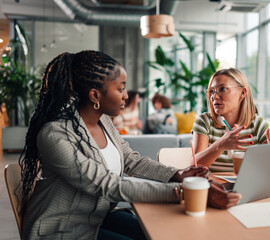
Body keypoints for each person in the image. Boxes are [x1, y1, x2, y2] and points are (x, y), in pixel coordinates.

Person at [19, 51, 242, 240]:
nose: (126, 95)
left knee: (161, 232)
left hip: (98, 216)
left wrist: (178, 174)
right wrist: (188, 192)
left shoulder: (103, 120)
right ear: (95, 95)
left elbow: (130, 159)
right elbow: (106, 184)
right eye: (121, 88)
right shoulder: (55, 134)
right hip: (63, 229)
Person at [192, 68, 270, 172]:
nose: (214, 96)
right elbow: (193, 167)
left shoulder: (257, 124)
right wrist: (220, 145)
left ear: (242, 92)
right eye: (211, 91)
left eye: (222, 89)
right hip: (213, 187)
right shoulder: (204, 122)